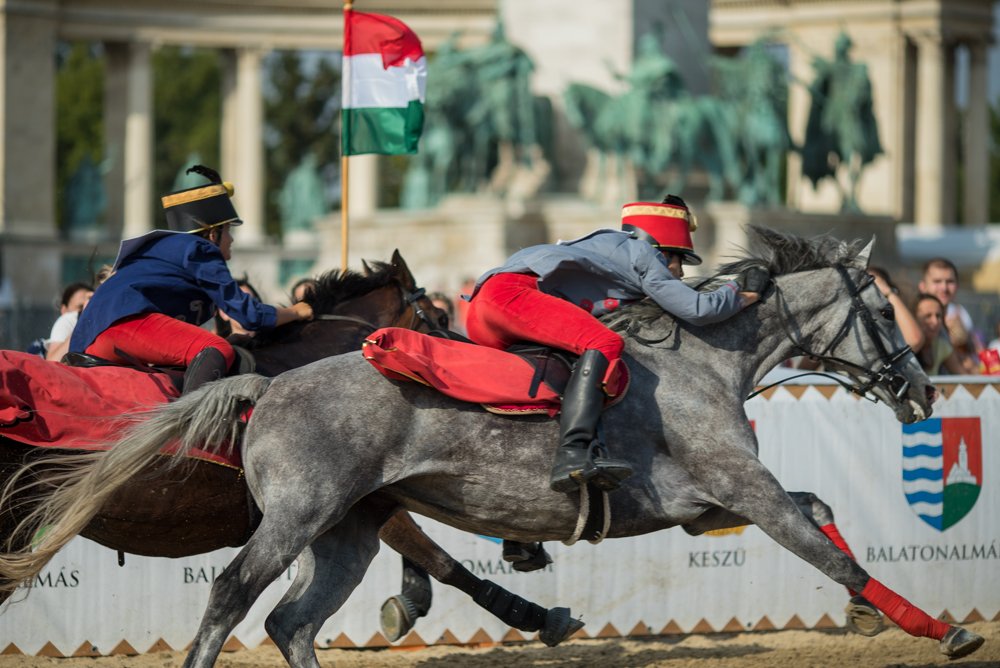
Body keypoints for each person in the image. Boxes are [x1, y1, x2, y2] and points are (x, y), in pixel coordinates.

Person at [464, 195, 765, 493]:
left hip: (482, 313)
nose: (681, 273)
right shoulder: (643, 254)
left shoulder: (611, 249)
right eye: (680, 261)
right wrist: (741, 293)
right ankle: (573, 453)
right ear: (662, 251)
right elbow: (698, 310)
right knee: (603, 342)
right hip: (511, 299)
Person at [69, 165, 313, 394]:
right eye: (228, 231)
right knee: (214, 348)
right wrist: (297, 312)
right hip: (123, 326)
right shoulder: (199, 248)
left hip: (93, 339)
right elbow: (250, 316)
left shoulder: (169, 251)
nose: (232, 240)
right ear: (212, 233)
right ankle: (191, 430)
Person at [917, 258, 982, 374]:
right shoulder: (914, 317)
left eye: (950, 281)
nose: (944, 288)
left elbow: (975, 353)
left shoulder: (961, 313)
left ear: (957, 286)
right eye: (937, 281)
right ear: (923, 287)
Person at [912, 294, 967, 376]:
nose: (935, 322)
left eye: (938, 316)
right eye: (928, 316)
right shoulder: (905, 345)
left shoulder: (940, 345)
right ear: (913, 318)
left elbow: (963, 377)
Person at [42, 282, 94, 361]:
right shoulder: (67, 320)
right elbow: (53, 361)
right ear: (64, 310)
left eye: (89, 306)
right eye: (80, 307)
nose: (85, 310)